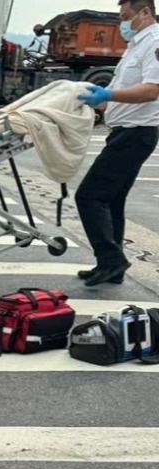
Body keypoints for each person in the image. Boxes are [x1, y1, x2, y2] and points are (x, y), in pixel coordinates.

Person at [74, 0, 159, 286]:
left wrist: (107, 97)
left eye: (126, 16)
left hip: (136, 134)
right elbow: (115, 90)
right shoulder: (135, 45)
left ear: (145, 12)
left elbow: (151, 91)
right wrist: (89, 100)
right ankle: (110, 266)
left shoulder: (155, 42)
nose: (123, 23)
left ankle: (112, 259)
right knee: (111, 200)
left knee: (89, 196)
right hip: (123, 131)